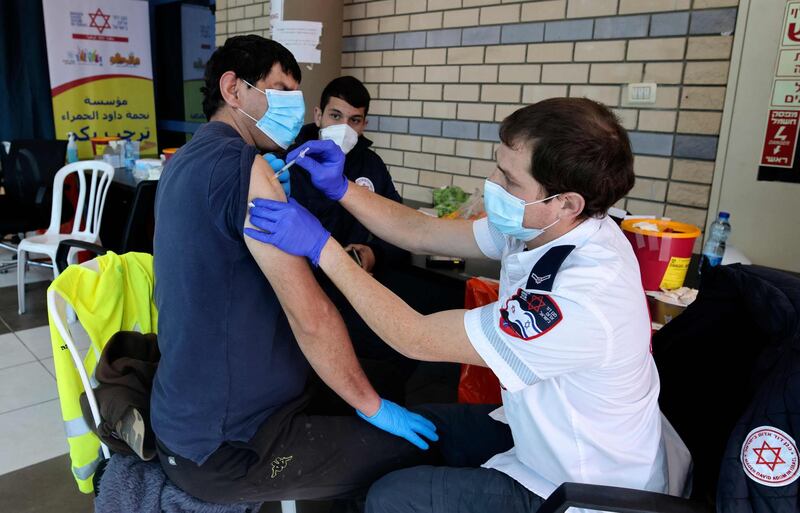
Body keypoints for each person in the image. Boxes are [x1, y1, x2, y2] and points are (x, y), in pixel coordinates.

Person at [246, 98, 692, 513]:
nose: (493, 185)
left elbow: (415, 337)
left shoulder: (583, 296)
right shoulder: (543, 225)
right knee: (402, 435)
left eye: (510, 180)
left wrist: (322, 247)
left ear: (566, 202)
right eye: (499, 169)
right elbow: (422, 232)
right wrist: (342, 188)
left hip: (579, 487)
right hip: (533, 433)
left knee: (393, 499)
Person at [150, 35, 438, 506]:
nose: (291, 106)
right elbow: (311, 315)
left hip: (192, 412)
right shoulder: (247, 169)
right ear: (232, 89)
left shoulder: (183, 160)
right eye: (280, 88)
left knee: (383, 375)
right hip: (232, 445)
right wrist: (372, 407)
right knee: (410, 452)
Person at [290, 76, 414, 403]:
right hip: (305, 290)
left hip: (357, 290)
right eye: (335, 116)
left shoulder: (370, 164)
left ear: (364, 123)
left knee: (400, 352)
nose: (344, 127)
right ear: (318, 115)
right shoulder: (291, 160)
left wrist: (373, 253)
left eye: (354, 120)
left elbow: (399, 226)